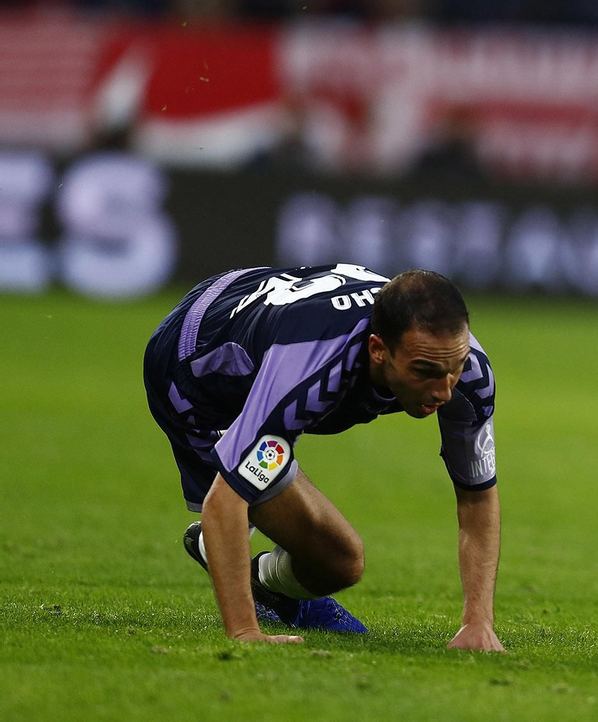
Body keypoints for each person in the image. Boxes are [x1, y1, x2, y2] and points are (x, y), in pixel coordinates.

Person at [144, 264, 504, 649]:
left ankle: (262, 583)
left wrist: (477, 622)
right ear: (378, 350)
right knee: (295, 532)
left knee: (338, 563)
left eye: (454, 368)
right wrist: (246, 633)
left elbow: (477, 495)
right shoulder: (308, 371)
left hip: (257, 312)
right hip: (195, 370)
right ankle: (229, 565)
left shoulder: (468, 373)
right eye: (425, 372)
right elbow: (225, 502)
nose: (444, 390)